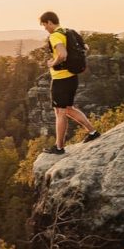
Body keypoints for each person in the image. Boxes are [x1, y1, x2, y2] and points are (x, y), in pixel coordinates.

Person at [39, 11, 99, 154]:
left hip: (61, 79)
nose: (45, 28)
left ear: (49, 22)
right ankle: (92, 133)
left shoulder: (55, 36)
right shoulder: (69, 32)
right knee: (68, 109)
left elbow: (63, 54)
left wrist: (52, 63)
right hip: (72, 77)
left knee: (60, 111)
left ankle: (59, 147)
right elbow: (86, 48)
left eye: (44, 25)